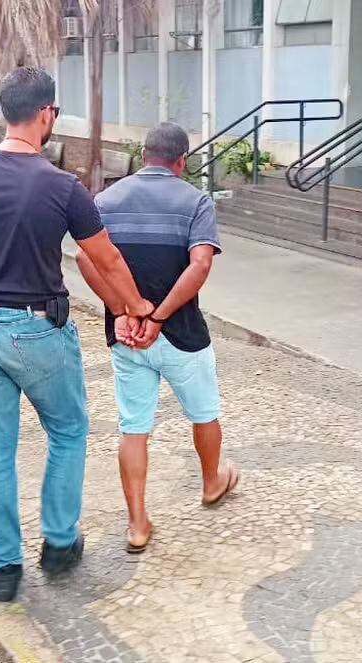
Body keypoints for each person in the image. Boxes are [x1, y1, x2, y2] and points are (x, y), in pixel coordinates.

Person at [0, 67, 153, 602]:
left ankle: (4, 569)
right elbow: (107, 259)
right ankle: (59, 543)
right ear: (47, 113)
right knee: (67, 430)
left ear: (6, 112)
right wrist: (137, 306)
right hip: (39, 328)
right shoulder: (61, 186)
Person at [75, 122, 239, 554]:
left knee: (134, 428)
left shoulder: (105, 201)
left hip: (127, 335)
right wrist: (160, 315)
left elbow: (85, 259)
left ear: (144, 155)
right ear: (182, 160)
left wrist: (123, 310)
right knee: (204, 414)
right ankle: (211, 483)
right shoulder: (196, 201)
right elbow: (200, 264)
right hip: (182, 332)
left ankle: (137, 524)